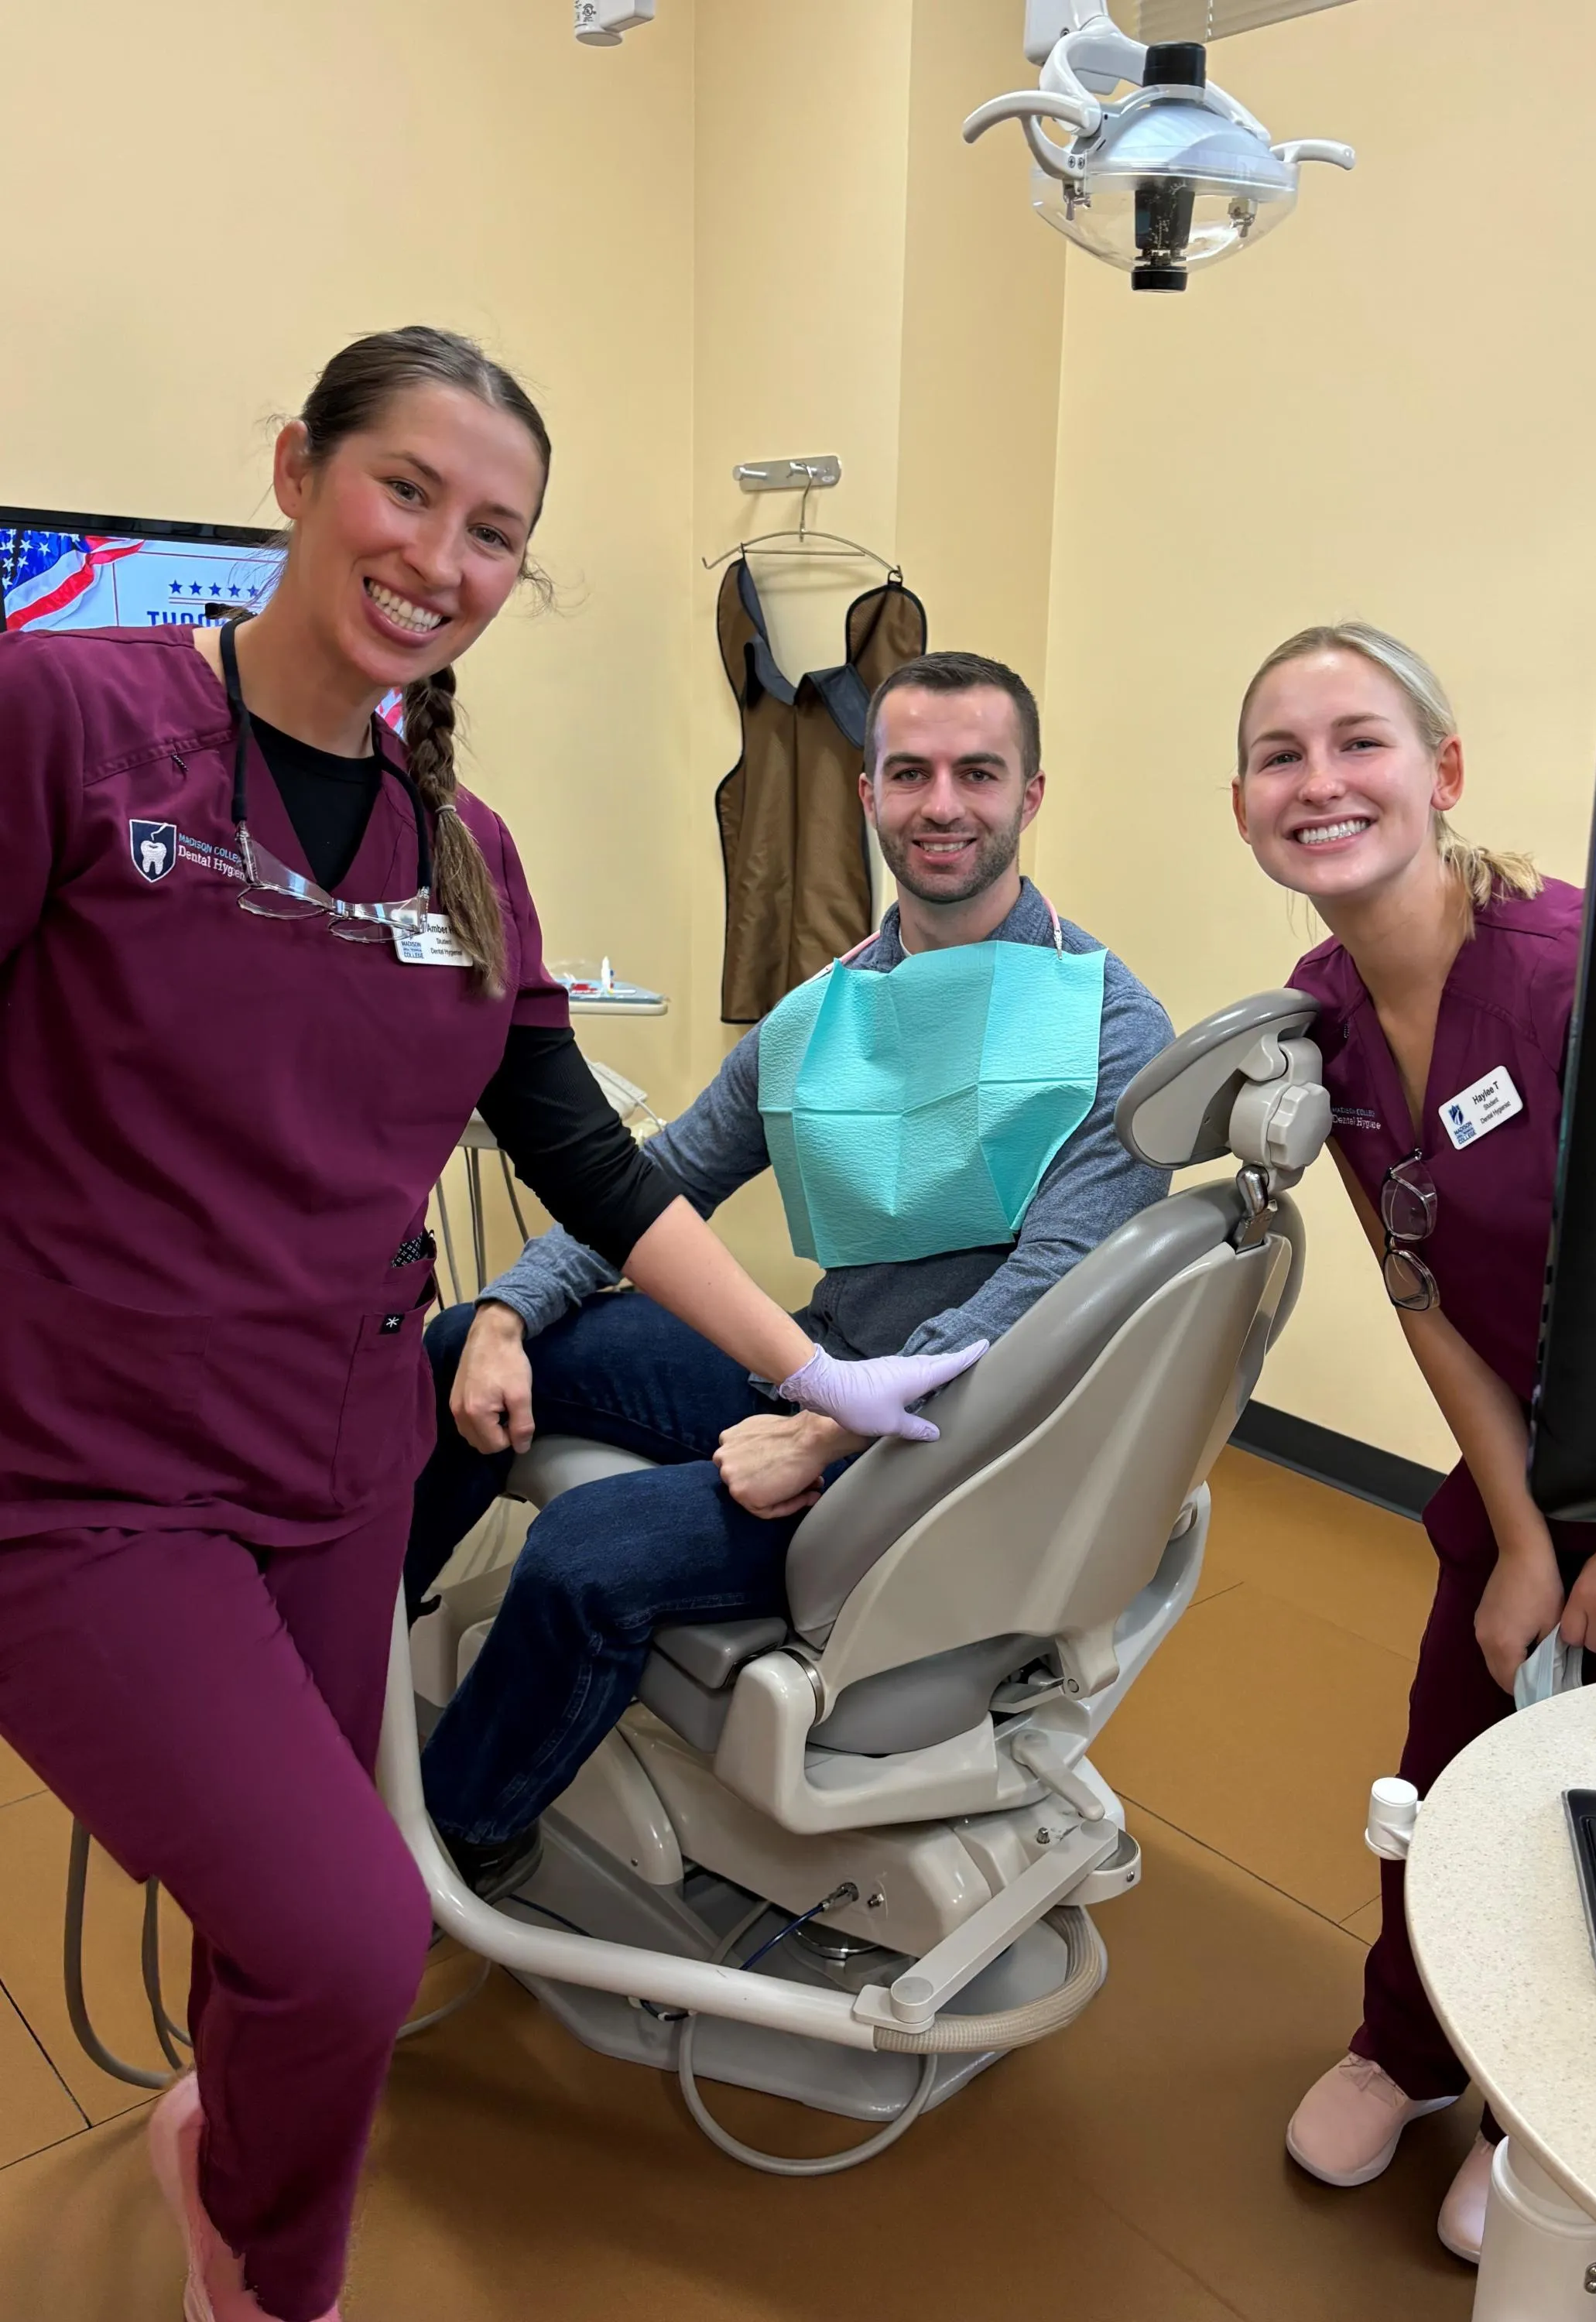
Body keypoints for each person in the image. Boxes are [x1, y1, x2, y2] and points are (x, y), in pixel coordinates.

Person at [0, 328, 978, 2322]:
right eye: (409, 492)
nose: (444, 556)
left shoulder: (469, 857)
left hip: (342, 1444)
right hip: (82, 1465)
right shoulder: (62, 717)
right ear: (299, 470)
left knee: (270, 1929)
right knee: (356, 1935)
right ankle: (278, 2279)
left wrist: (814, 1371)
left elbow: (595, 1164)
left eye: (497, 534)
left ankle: (226, 2130)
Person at [407, 649, 1174, 1896]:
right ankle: (347, 1661)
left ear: (1030, 795)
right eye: (911, 773)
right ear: (867, 791)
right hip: (820, 1369)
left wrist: (819, 1437)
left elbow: (1044, 1298)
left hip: (944, 1454)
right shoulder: (819, 1017)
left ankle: (458, 1836)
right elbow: (648, 1187)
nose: (943, 805)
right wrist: (504, 1307)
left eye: (978, 774)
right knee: (451, 1347)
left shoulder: (1110, 1027)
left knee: (585, 1554)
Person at [1230, 622, 1596, 2263]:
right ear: (1242, 803)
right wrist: (1526, 1539)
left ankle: (1551, 2125)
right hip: (1531, 1468)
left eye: (1359, 741)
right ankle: (1408, 2046)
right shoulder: (1322, 1017)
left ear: (1441, 774)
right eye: (1281, 754)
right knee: (1450, 1772)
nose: (1321, 782)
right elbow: (1420, 1289)